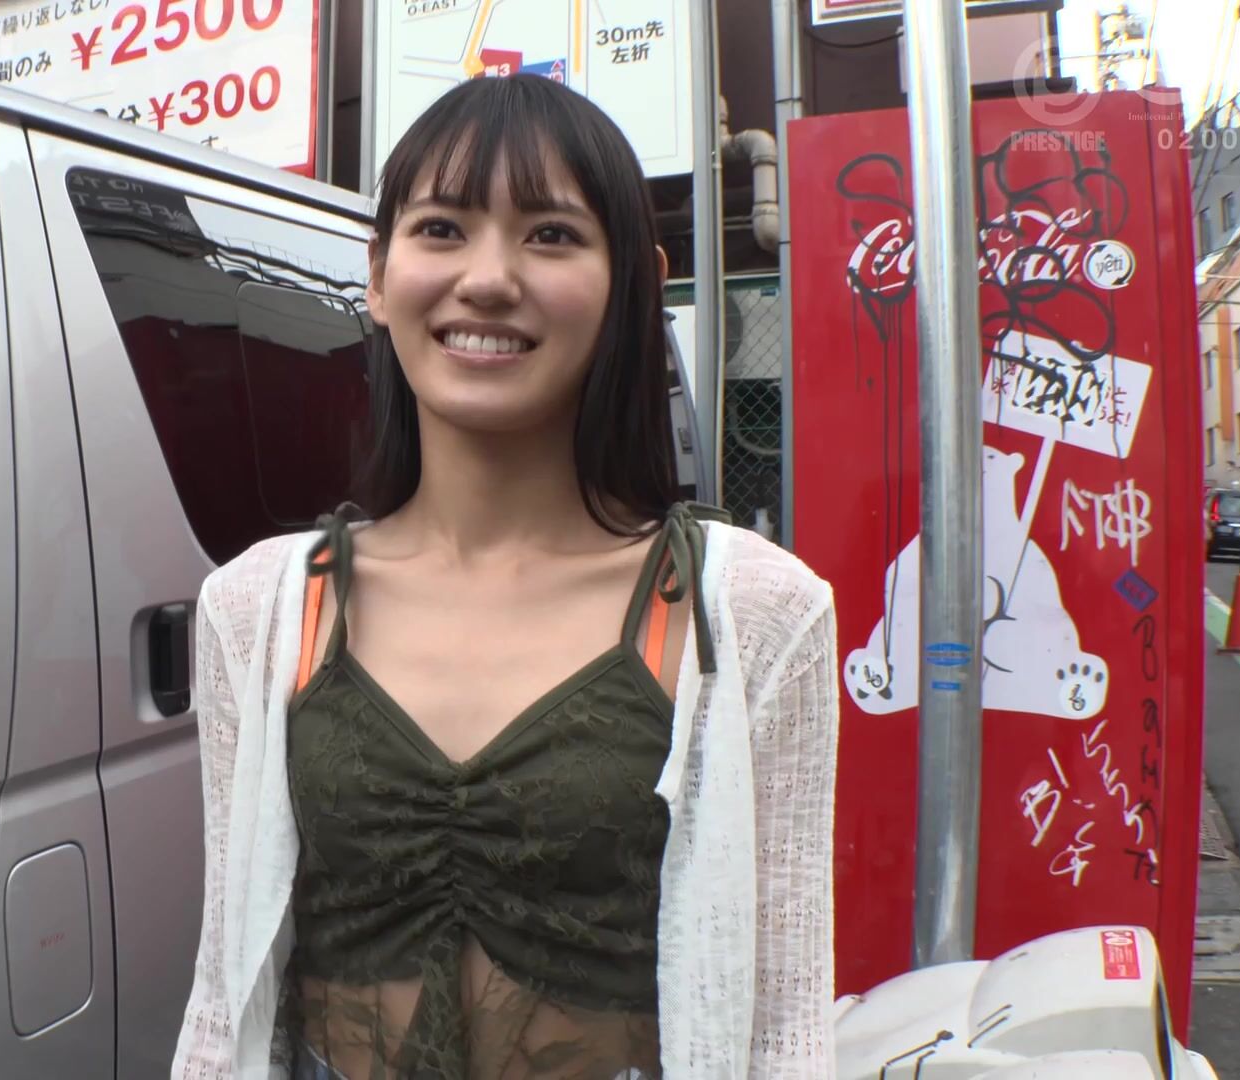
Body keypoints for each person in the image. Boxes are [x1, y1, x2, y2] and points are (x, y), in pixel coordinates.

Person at [173, 73, 838, 1079]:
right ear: (378, 274)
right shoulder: (258, 607)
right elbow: (226, 992)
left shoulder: (752, 612)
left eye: (551, 234)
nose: (487, 278)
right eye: (441, 229)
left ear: (635, 283)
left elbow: (785, 1024)